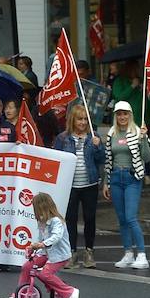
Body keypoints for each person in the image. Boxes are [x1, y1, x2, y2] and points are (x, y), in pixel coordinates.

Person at [1, 192, 78, 298]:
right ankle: (18, 297)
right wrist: (33, 248)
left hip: (59, 255)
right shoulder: (42, 221)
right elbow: (40, 239)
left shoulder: (56, 221)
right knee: (27, 267)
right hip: (45, 253)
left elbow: (56, 237)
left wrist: (42, 244)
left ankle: (71, 291)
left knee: (44, 274)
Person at [103, 100, 150, 269]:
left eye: (125, 113)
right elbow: (108, 160)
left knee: (131, 217)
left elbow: (147, 157)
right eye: (119, 114)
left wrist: (144, 139)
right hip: (116, 177)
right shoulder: (112, 133)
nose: (122, 116)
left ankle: (142, 255)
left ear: (130, 115)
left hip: (132, 178)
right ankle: (128, 253)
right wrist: (106, 183)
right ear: (115, 116)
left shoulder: (137, 131)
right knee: (122, 219)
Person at [52, 103, 101, 270]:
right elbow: (56, 160)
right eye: (80, 119)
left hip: (90, 184)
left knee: (89, 218)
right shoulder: (63, 138)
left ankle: (89, 252)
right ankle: (71, 252)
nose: (83, 122)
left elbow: (101, 158)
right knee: (70, 220)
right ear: (73, 120)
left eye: (86, 119)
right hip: (70, 186)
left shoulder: (93, 137)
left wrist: (96, 146)